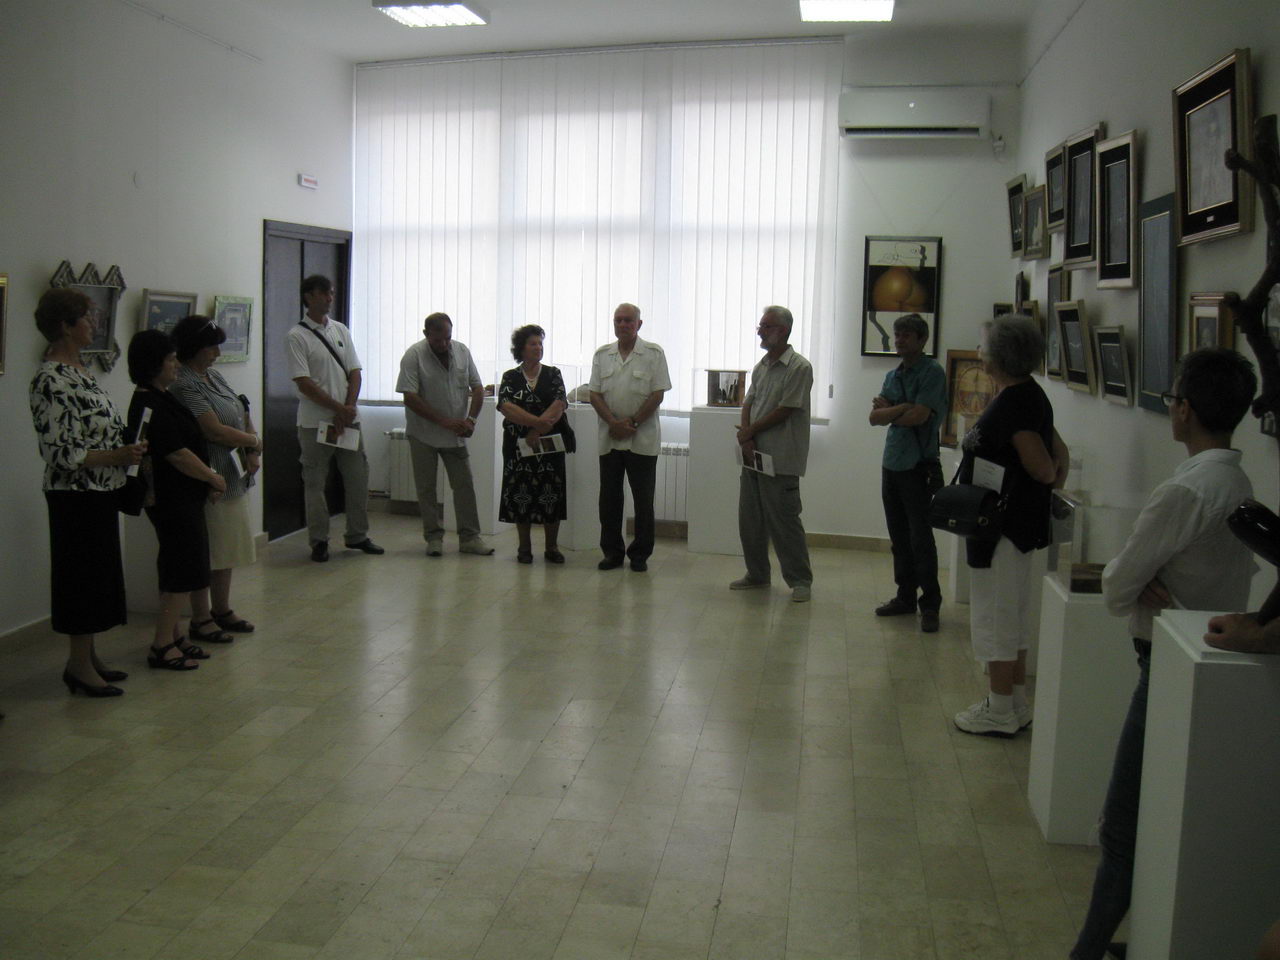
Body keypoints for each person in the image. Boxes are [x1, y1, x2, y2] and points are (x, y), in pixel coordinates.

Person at [1070, 348, 1257, 960]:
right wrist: (1142, 577)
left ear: (1183, 410)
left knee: (1123, 821)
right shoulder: (1234, 479)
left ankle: (1087, 950)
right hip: (1200, 657)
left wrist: (1139, 578)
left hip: (1169, 662)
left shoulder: (1185, 489)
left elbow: (1116, 586)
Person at [953, 315, 1068, 737]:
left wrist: (1039, 484)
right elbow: (1060, 456)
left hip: (1002, 528)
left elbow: (1044, 467)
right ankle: (1014, 702)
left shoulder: (1014, 402)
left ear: (1000, 355)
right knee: (1012, 614)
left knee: (997, 616)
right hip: (1013, 525)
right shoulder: (1029, 394)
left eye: (983, 346)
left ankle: (1000, 708)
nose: (979, 353)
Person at [29, 288, 145, 697]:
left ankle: (87, 657)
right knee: (81, 578)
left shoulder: (80, 369)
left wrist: (126, 450)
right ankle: (79, 666)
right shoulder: (50, 378)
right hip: (74, 496)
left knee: (98, 577)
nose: (95, 323)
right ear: (65, 325)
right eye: (87, 317)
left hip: (99, 491)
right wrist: (116, 455)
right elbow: (59, 452)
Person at [126, 330, 228, 671]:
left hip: (184, 496)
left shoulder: (163, 396)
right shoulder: (149, 403)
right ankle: (161, 644)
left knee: (182, 566)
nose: (176, 365)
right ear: (153, 364)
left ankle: (174, 635)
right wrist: (211, 477)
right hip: (171, 499)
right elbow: (177, 454)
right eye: (170, 360)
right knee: (180, 570)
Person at [170, 315, 261, 635]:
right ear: (194, 347)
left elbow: (240, 411)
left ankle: (222, 608)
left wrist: (252, 447)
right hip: (209, 477)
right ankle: (201, 616)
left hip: (233, 472)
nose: (217, 354)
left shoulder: (214, 376)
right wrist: (252, 442)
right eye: (212, 348)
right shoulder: (184, 384)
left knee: (228, 549)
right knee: (210, 551)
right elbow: (213, 430)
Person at [286, 275, 383, 562]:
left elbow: (355, 372)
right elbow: (304, 382)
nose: (330, 298)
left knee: (357, 477)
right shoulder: (297, 336)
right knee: (315, 482)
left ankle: (357, 535)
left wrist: (347, 408)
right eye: (324, 293)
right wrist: (338, 409)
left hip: (348, 421)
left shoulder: (340, 329)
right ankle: (319, 541)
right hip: (315, 423)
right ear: (309, 296)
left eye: (331, 292)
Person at [868, 313, 947, 632]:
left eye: (906, 335)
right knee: (899, 536)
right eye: (897, 334)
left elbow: (919, 416)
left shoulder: (932, 372)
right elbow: (874, 418)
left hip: (918, 466)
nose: (899, 340)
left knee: (920, 538)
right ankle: (905, 597)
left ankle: (930, 604)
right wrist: (901, 408)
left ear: (922, 340)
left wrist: (892, 410)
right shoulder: (893, 375)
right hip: (892, 463)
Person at [730, 305, 814, 603]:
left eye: (766, 326)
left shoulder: (799, 367)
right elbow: (748, 402)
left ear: (784, 330)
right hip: (753, 455)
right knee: (750, 519)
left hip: (781, 457)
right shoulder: (761, 366)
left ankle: (800, 580)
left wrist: (749, 432)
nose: (760, 332)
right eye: (760, 326)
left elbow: (786, 410)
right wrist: (746, 434)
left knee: (784, 521)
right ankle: (757, 575)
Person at [395, 312, 492, 557]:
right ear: (426, 334)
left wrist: (471, 420)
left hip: (455, 435)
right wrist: (445, 422)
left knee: (464, 485)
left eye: (448, 338)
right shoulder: (413, 355)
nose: (444, 344)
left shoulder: (462, 351)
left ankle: (470, 538)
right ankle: (433, 538)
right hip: (423, 434)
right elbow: (410, 397)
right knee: (426, 488)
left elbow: (477, 388)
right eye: (438, 339)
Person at [589, 302, 671, 572]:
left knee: (643, 501)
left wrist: (632, 422)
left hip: (642, 438)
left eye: (628, 320)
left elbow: (658, 394)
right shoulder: (603, 354)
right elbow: (594, 394)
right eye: (618, 320)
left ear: (639, 324)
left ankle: (640, 555)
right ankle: (612, 553)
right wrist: (613, 423)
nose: (623, 324)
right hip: (610, 437)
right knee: (609, 500)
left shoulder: (653, 353)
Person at [497, 325, 569, 564]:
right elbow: (506, 406)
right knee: (521, 495)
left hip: (549, 446)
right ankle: (524, 548)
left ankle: (552, 548)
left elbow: (559, 403)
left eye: (540, 343)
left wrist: (536, 430)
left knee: (551, 494)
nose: (538, 347)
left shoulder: (553, 373)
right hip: (518, 447)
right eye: (533, 344)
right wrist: (536, 423)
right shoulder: (510, 376)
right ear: (521, 348)